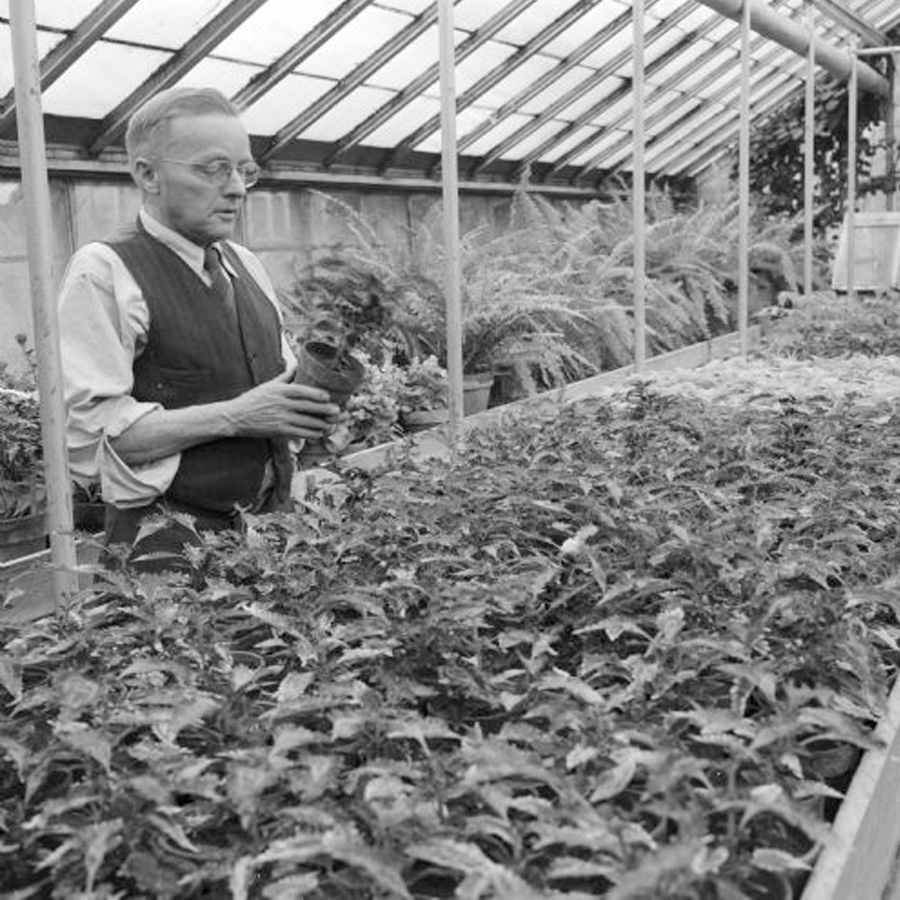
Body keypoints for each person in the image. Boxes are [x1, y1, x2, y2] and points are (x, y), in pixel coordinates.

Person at [58, 86, 339, 571]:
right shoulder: (104, 271)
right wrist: (234, 416)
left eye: (243, 170)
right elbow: (91, 440)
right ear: (147, 174)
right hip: (166, 560)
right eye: (213, 169)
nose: (236, 188)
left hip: (269, 545)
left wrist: (309, 414)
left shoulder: (244, 263)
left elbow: (276, 388)